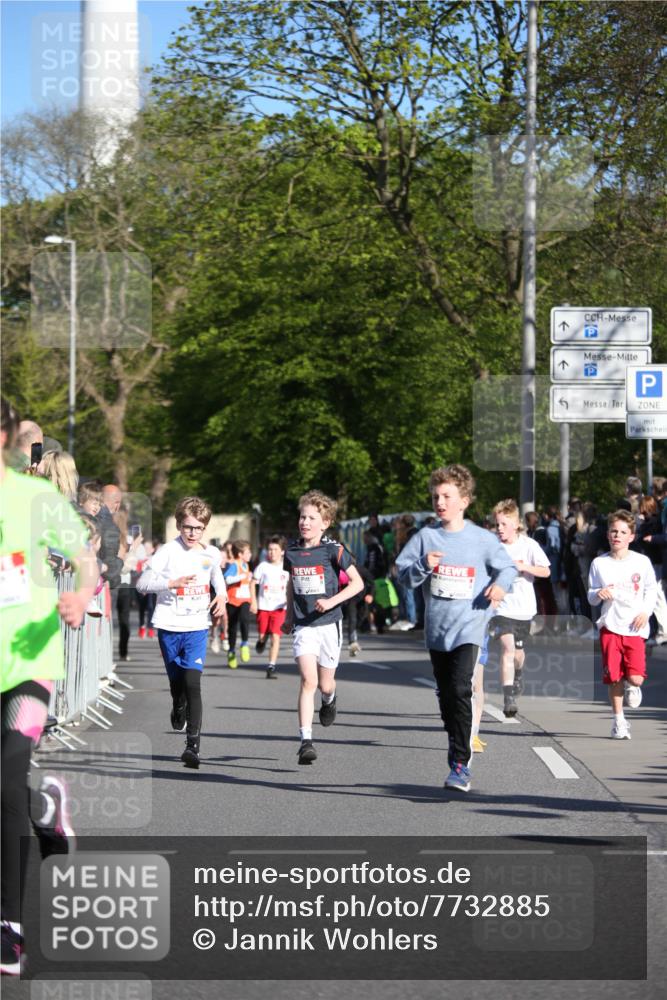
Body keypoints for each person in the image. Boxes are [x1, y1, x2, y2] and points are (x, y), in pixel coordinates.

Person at [1, 398, 97, 976]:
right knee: (6, 789)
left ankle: (8, 926)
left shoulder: (33, 499)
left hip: (30, 668)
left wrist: (81, 597)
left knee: (6, 773)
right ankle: (45, 807)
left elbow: (85, 558)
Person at [396, 464, 516, 793]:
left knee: (462, 689)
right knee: (448, 696)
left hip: (470, 626)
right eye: (436, 496)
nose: (440, 502)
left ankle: (461, 765)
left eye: (447, 496)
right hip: (438, 631)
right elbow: (402, 575)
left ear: (464, 500)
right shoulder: (425, 538)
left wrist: (501, 587)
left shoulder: (481, 539)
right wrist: (423, 564)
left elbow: (507, 568)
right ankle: (457, 745)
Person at [136, 497, 226, 768]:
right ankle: (177, 705)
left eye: (198, 528)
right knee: (178, 686)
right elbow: (142, 584)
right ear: (178, 525)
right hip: (169, 626)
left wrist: (222, 596)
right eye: (188, 527)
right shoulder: (167, 552)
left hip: (197, 627)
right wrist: (170, 583)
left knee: (193, 683)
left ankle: (192, 747)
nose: (192, 533)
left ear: (205, 529)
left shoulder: (210, 554)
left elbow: (217, 579)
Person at [282, 490, 363, 765]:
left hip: (329, 624)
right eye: (302, 516)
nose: (304, 522)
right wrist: (288, 615)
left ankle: (329, 699)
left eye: (311, 518)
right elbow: (291, 583)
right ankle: (306, 741)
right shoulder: (291, 551)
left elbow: (357, 584)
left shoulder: (334, 550)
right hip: (304, 624)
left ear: (325, 522)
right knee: (308, 681)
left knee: (325, 684)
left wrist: (331, 602)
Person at [587, 510, 657, 740]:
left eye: (623, 532)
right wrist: (599, 593)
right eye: (614, 531)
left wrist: (646, 612)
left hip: (635, 626)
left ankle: (633, 685)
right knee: (614, 677)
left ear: (631, 536)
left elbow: (651, 590)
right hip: (610, 625)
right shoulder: (599, 563)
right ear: (608, 534)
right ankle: (619, 721)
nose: (617, 535)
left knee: (635, 677)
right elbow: (591, 596)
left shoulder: (641, 562)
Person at [491, 500, 551, 717]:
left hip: (524, 608)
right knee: (507, 649)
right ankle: (508, 698)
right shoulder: (492, 546)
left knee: (518, 653)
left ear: (516, 524)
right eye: (497, 524)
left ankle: (518, 674)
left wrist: (524, 567)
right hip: (501, 609)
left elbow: (545, 572)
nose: (499, 528)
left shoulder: (528, 545)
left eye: (503, 524)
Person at [253, 535, 289, 679]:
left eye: (275, 549)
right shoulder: (263, 566)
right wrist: (254, 602)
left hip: (280, 607)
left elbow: (290, 586)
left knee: (276, 636)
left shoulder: (286, 568)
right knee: (262, 636)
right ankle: (262, 639)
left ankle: (271, 666)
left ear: (282, 551)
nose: (272, 552)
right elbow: (252, 583)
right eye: (270, 549)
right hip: (263, 606)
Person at [224, 540, 256, 669]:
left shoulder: (246, 565)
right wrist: (242, 576)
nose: (250, 554)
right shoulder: (235, 565)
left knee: (245, 620)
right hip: (232, 600)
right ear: (240, 554)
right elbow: (227, 579)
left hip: (244, 599)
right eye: (248, 552)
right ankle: (231, 651)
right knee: (232, 627)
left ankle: (244, 644)